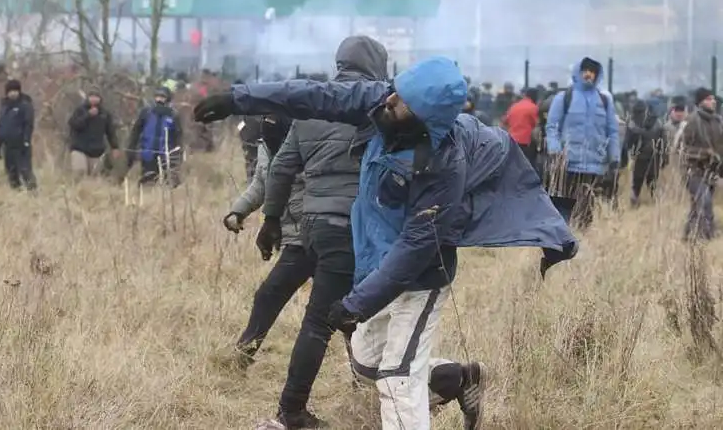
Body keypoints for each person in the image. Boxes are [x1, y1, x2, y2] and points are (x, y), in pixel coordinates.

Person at [194, 56, 577, 430]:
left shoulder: (444, 166)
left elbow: (416, 246)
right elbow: (313, 95)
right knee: (365, 363)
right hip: (375, 265)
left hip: (420, 278)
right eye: (394, 90)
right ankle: (454, 379)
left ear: (423, 115)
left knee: (397, 375)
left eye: (401, 99)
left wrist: (358, 304)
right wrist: (238, 98)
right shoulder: (380, 101)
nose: (389, 99)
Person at [245, 35, 389, 428]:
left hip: (311, 225)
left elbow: (281, 167)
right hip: (351, 227)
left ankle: (363, 384)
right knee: (322, 321)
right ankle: (291, 411)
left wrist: (271, 220)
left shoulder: (311, 110)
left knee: (321, 304)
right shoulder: (377, 108)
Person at [223, 114, 311, 371]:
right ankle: (242, 357)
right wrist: (238, 211)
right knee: (271, 297)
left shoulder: (308, 142)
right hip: (290, 234)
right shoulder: (266, 143)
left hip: (312, 234)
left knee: (270, 295)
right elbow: (262, 183)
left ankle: (241, 358)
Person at [545, 57, 620, 229]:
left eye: (592, 71)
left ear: (596, 74)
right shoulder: (564, 97)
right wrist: (555, 150)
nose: (588, 74)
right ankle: (564, 237)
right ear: (578, 72)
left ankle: (582, 237)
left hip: (595, 164)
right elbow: (552, 127)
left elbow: (613, 131)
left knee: (587, 203)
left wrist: (614, 156)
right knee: (566, 202)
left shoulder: (605, 100)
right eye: (585, 70)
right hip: (568, 163)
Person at [680, 88, 723, 242]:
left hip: (711, 171)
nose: (713, 101)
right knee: (705, 201)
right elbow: (682, 149)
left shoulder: (718, 121)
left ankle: (687, 234)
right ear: (701, 102)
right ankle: (708, 235)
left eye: (713, 98)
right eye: (709, 98)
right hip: (694, 171)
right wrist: (705, 153)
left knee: (697, 206)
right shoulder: (692, 121)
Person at [125, 87, 183, 187]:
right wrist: (131, 149)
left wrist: (177, 153)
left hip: (166, 154)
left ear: (168, 99)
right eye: (157, 96)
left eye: (162, 97)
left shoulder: (173, 115)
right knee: (147, 181)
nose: (159, 99)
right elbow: (136, 131)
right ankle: (147, 200)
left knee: (169, 183)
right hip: (148, 152)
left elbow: (178, 136)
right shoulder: (146, 112)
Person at [620, 100, 667, 206]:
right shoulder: (657, 122)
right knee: (652, 182)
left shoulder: (633, 124)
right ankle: (656, 203)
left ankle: (636, 203)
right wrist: (664, 157)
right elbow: (664, 142)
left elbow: (627, 143)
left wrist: (625, 158)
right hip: (653, 156)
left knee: (638, 182)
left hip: (640, 157)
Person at [0, 79, 37, 191]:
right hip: (8, 146)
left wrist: (26, 140)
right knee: (11, 172)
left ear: (19, 91)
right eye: (10, 91)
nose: (12, 93)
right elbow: (1, 127)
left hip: (21, 144)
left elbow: (29, 124)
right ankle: (16, 194)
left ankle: (33, 192)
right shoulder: (4, 107)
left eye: (15, 90)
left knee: (25, 170)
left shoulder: (25, 105)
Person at [67, 88, 120, 179]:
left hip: (96, 151)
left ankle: (90, 192)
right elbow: (74, 124)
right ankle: (77, 191)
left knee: (94, 176)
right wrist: (88, 115)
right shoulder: (80, 110)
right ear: (88, 98)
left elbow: (110, 131)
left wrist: (115, 147)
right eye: (92, 96)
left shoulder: (105, 114)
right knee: (80, 172)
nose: (94, 99)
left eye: (96, 97)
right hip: (79, 148)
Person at [503, 88, 539, 169]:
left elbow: (505, 121)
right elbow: (537, 125)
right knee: (527, 168)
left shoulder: (514, 106)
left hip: (511, 142)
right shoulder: (533, 108)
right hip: (526, 144)